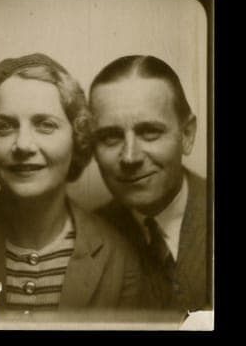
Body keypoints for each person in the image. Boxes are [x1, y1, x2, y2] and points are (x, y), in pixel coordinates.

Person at [0, 54, 140, 320]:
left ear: (78, 137)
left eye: (45, 125)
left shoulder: (117, 257)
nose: (23, 145)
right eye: (3, 127)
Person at [89, 55, 209, 314]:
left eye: (149, 132)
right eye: (110, 136)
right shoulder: (85, 240)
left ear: (187, 135)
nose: (130, 157)